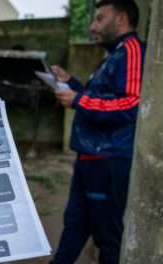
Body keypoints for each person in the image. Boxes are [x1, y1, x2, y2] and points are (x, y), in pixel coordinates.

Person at [50, 1, 146, 263]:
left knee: (108, 238)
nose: (93, 26)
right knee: (74, 227)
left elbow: (133, 103)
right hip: (90, 157)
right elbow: (100, 98)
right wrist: (70, 82)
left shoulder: (132, 50)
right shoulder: (113, 55)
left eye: (100, 19)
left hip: (109, 160)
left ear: (121, 19)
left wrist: (78, 100)